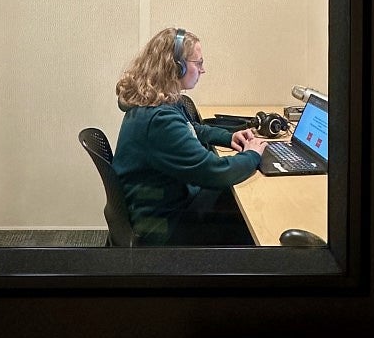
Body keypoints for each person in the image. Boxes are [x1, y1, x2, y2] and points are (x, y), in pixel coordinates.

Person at [112, 27, 269, 246]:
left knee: (239, 196)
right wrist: (252, 155)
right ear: (177, 67)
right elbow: (215, 172)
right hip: (162, 226)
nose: (203, 70)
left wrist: (228, 137)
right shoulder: (158, 119)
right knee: (250, 211)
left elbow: (191, 128)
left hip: (163, 206)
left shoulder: (159, 102)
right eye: (199, 63)